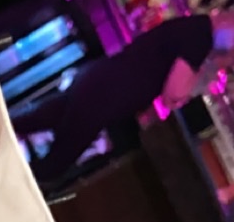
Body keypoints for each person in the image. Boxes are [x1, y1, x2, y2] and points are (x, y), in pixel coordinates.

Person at [19, 10, 234, 185]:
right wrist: (212, 65)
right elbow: (174, 93)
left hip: (100, 81)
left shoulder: (194, 26)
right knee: (53, 166)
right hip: (106, 97)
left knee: (36, 120)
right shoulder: (200, 39)